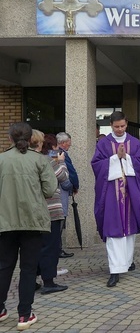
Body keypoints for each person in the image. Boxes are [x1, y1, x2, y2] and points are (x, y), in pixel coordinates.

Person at [0, 122, 57, 331]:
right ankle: (24, 315)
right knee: (28, 269)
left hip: (5, 221)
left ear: (10, 139)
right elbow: (51, 189)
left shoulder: (1, 159)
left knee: (4, 266)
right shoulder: (40, 160)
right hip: (33, 221)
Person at [91, 111, 140, 287]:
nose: (119, 129)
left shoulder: (135, 142)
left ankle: (128, 260)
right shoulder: (103, 143)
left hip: (131, 193)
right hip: (111, 194)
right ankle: (115, 270)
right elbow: (96, 165)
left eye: (122, 126)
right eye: (116, 127)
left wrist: (128, 157)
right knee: (113, 230)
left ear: (126, 123)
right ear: (111, 125)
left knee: (129, 229)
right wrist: (116, 158)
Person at [30, 131, 71, 295]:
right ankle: (48, 281)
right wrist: (61, 162)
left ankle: (30, 279)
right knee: (50, 247)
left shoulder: (29, 161)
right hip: (51, 210)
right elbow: (64, 179)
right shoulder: (49, 161)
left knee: (34, 247)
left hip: (33, 211)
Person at [56, 132, 79, 259]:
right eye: (69, 142)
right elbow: (69, 172)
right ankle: (58, 249)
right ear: (63, 143)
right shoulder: (60, 154)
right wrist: (74, 185)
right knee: (59, 222)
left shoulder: (51, 154)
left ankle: (57, 248)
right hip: (60, 193)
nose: (70, 145)